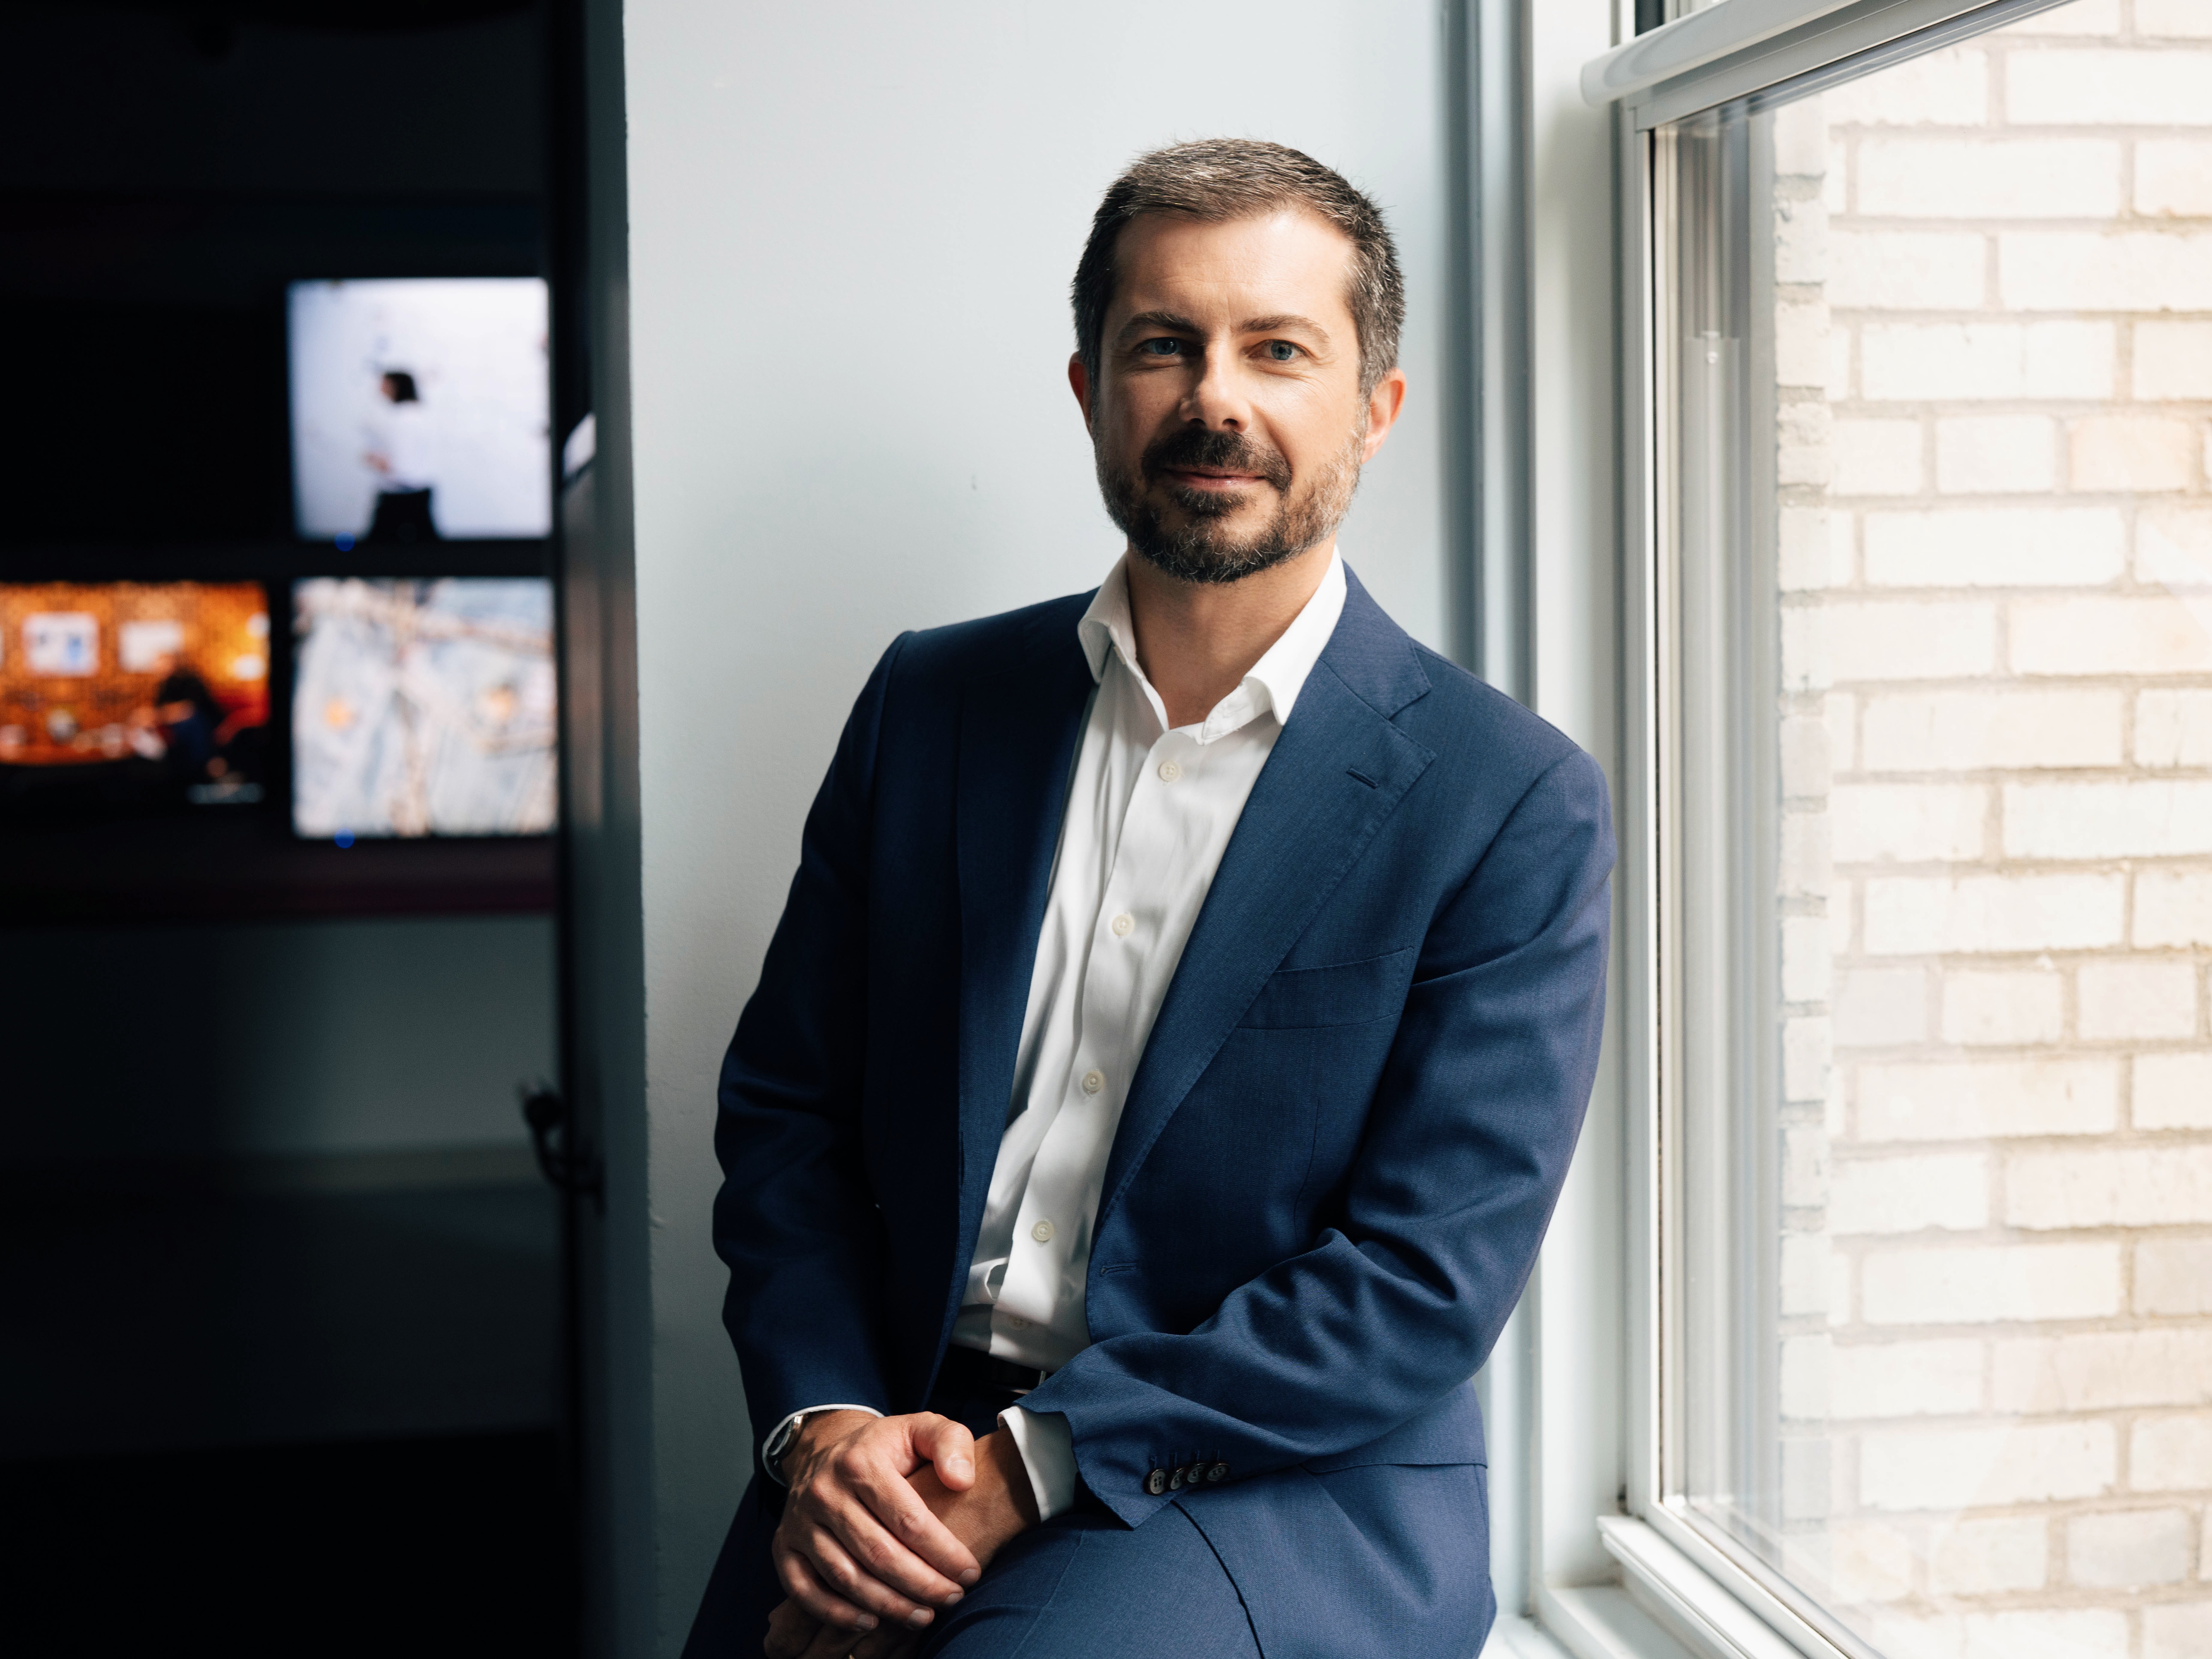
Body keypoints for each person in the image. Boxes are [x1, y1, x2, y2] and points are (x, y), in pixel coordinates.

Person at [686, 139, 1614, 1659]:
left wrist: (1026, 1464)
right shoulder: (931, 704)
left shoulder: (1502, 798)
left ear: (1374, 408)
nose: (1213, 398)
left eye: (1276, 350)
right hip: (896, 1423)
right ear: (1087, 389)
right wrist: (823, 1426)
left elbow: (1418, 1278)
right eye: (1161, 345)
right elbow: (787, 1106)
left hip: (1263, 1480)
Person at [363, 369, 440, 543]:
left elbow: (400, 465)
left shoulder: (402, 419)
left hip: (400, 493)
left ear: (395, 386)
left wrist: (375, 461)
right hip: (418, 489)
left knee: (378, 548)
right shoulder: (419, 414)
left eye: (384, 383)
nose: (379, 389)